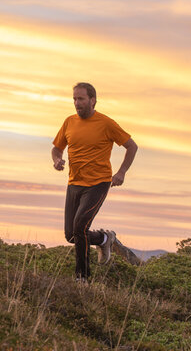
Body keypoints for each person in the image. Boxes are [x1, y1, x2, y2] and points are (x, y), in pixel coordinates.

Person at [51, 82, 138, 282]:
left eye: (80, 98)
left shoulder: (106, 123)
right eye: (74, 98)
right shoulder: (69, 122)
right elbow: (56, 148)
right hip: (74, 183)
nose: (76, 103)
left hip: (98, 183)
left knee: (80, 227)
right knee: (72, 236)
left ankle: (82, 278)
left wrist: (122, 172)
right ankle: (104, 239)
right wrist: (57, 160)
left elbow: (131, 146)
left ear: (92, 100)